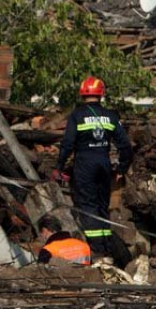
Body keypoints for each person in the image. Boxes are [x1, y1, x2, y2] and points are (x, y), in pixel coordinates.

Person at [53, 76, 133, 263]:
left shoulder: (77, 115)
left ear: (82, 94)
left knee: (88, 206)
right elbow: (125, 146)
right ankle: (106, 247)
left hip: (84, 163)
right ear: (101, 94)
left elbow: (67, 144)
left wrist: (59, 166)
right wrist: (122, 167)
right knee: (102, 205)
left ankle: (96, 251)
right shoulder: (111, 116)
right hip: (104, 164)